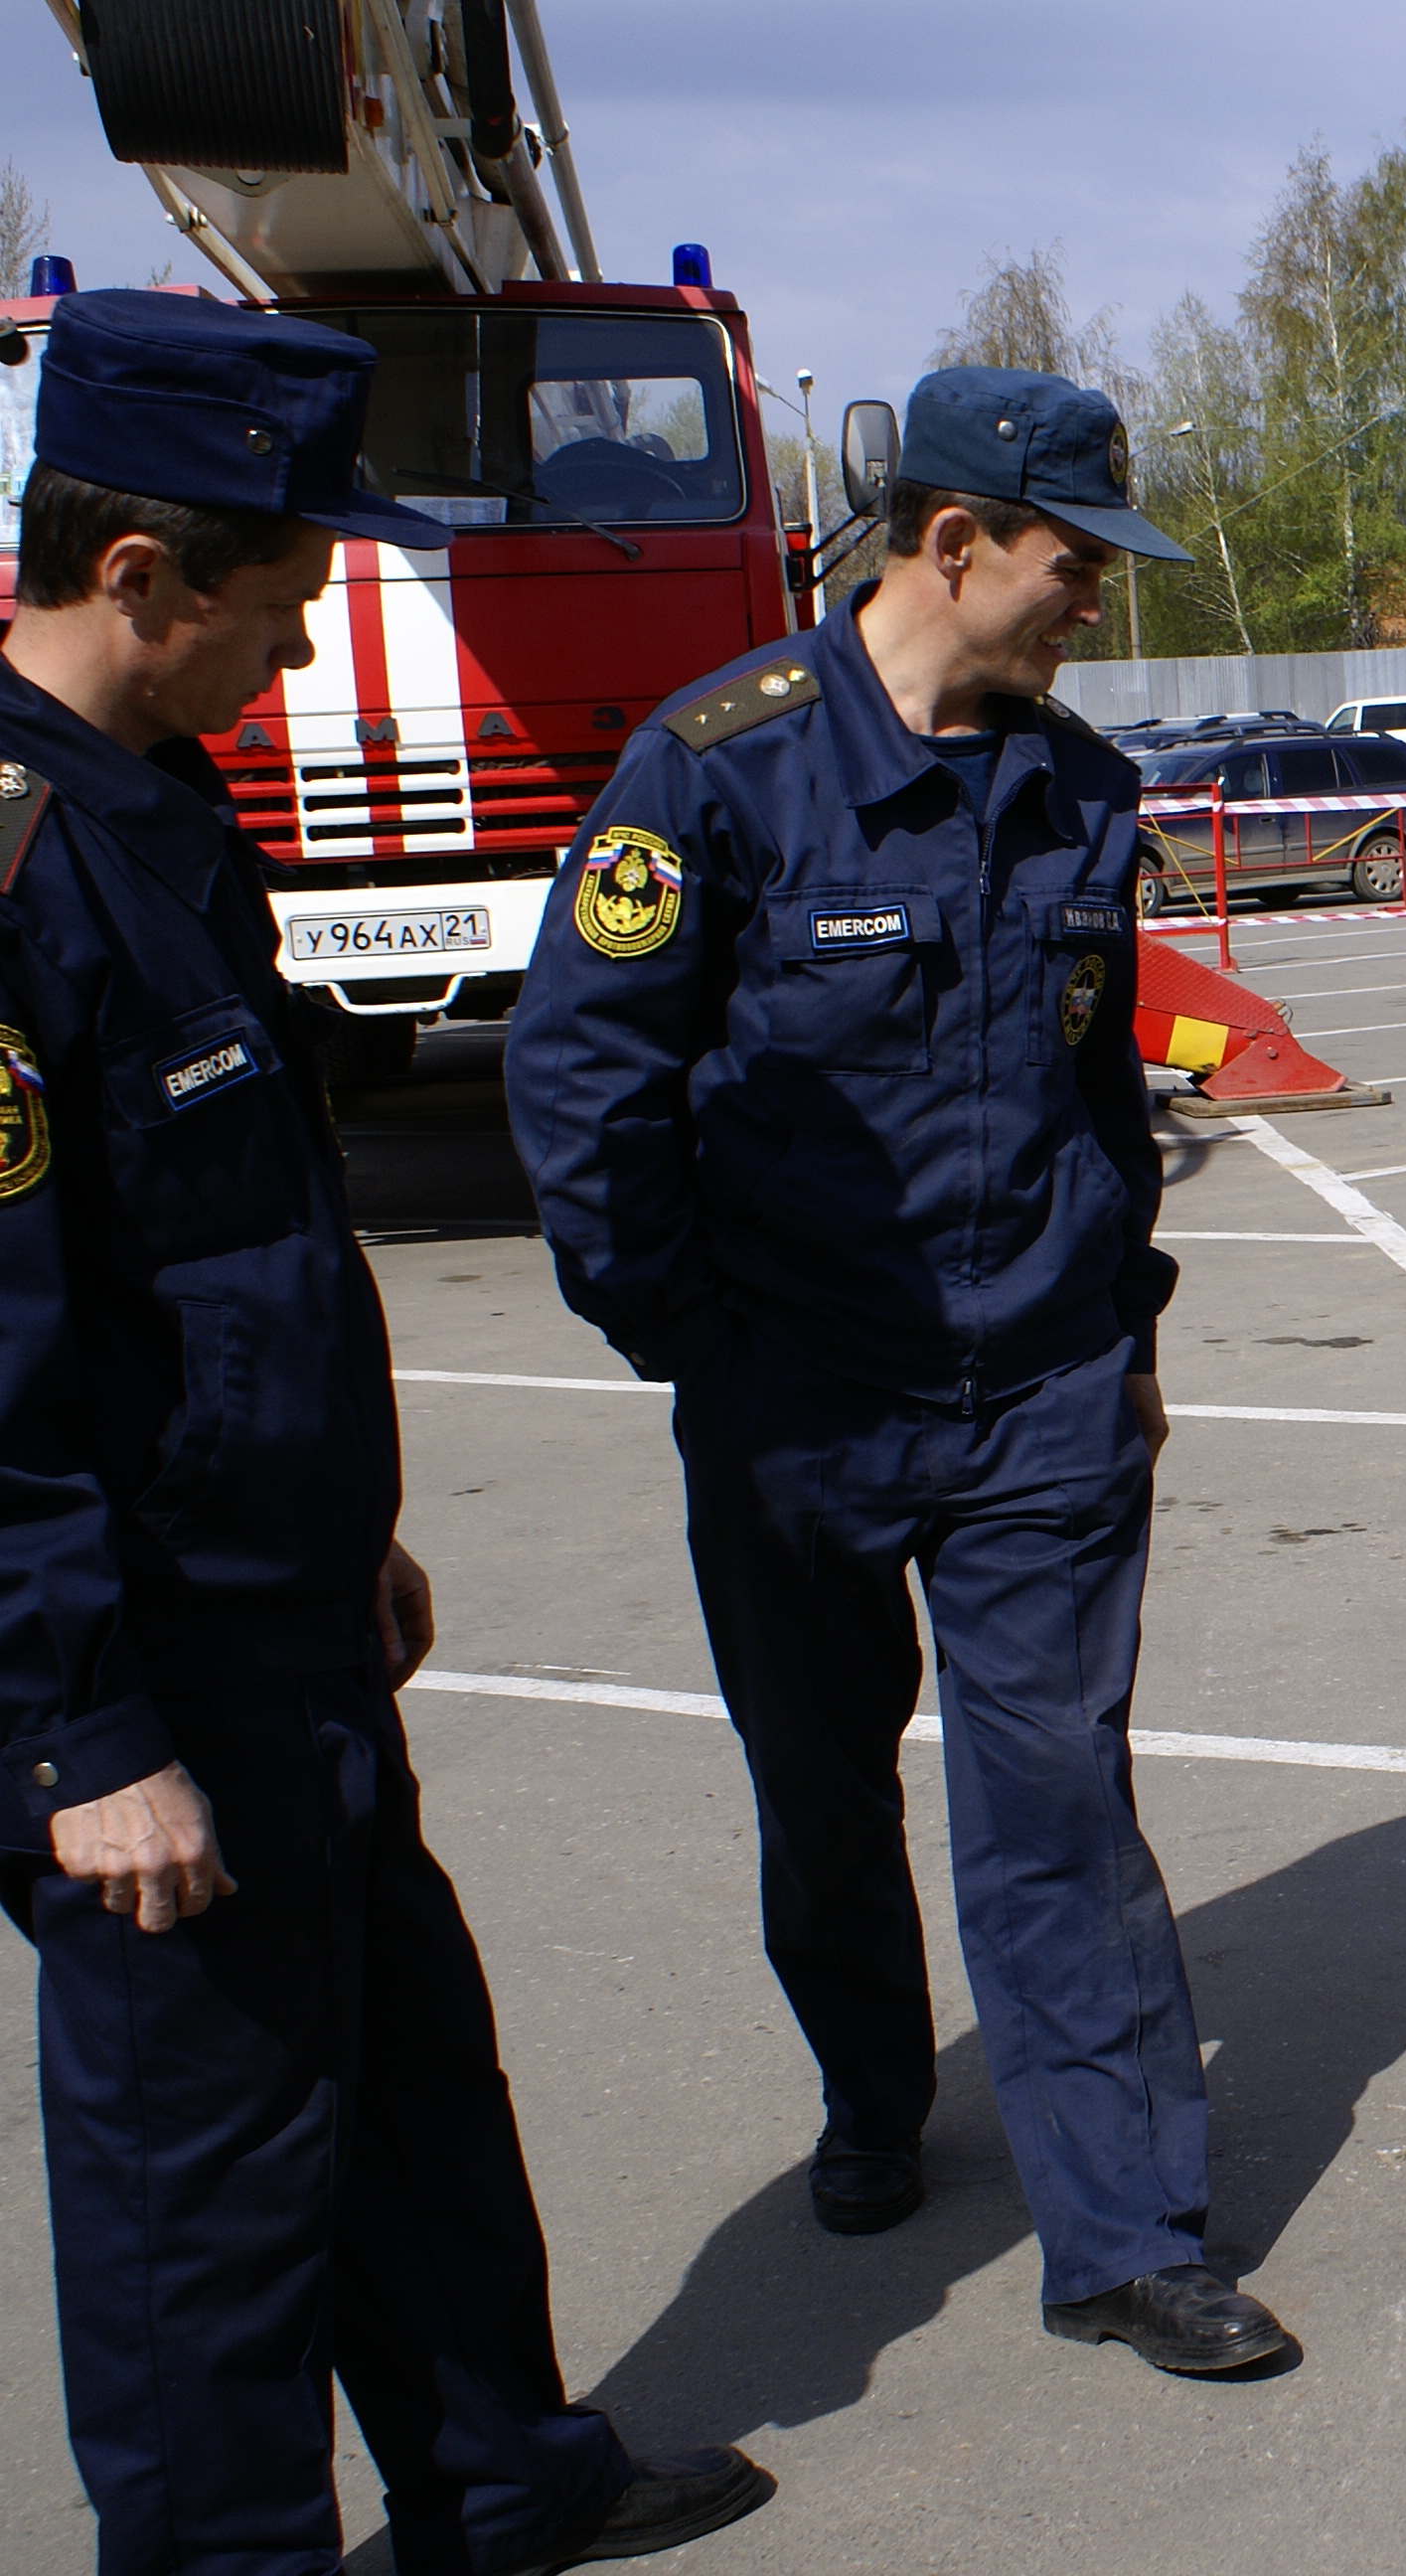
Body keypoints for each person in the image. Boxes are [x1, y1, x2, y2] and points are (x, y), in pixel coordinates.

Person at [0, 288, 772, 2575]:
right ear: (140, 573)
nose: (308, 639)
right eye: (285, 594)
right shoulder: (25, 870)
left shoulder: (167, 815)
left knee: (413, 2095)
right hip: (144, 1673)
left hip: (285, 1611)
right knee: (204, 2202)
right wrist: (76, 1729)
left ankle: (495, 2473)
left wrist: (352, 1528)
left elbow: (239, 1246)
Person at [505, 368, 1293, 2377]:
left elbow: (1104, 1105)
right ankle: (872, 2090)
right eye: (1068, 564)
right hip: (798, 1403)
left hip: (1036, 1395)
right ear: (953, 546)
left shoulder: (1080, 791)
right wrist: (696, 1344)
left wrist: (1121, 1329)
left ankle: (1126, 2231)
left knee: (1056, 1802)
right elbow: (584, 1084)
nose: (1091, 607)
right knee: (822, 1788)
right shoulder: (720, 773)